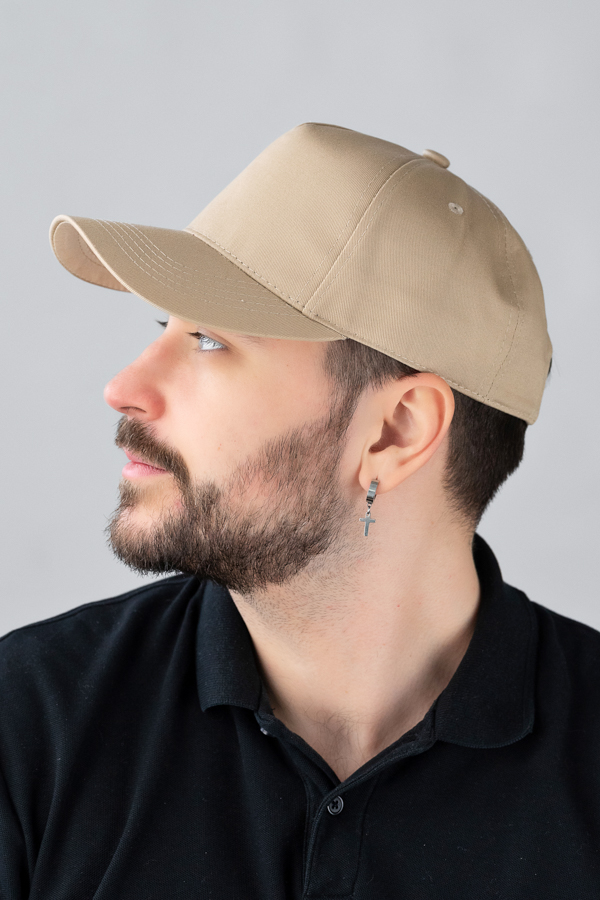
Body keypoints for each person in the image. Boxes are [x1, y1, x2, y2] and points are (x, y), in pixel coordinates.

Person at [0, 123, 597, 899]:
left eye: (208, 340)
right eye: (162, 328)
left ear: (395, 430)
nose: (125, 388)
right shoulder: (31, 721)